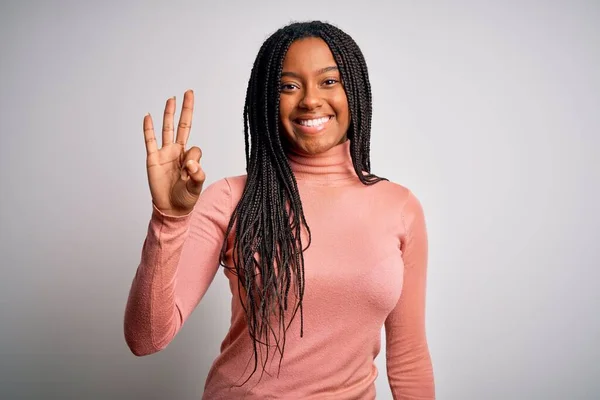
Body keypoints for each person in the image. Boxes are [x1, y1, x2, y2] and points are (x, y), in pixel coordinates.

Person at [124, 20, 435, 399]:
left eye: (329, 81)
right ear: (266, 102)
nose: (309, 100)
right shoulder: (231, 199)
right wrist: (168, 219)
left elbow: (408, 357)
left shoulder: (400, 208)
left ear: (354, 90)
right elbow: (147, 338)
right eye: (288, 86)